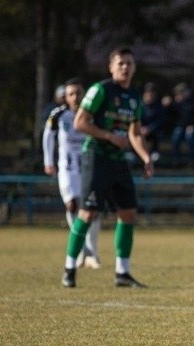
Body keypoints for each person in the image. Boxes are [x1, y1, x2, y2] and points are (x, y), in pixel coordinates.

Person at [62, 46, 154, 288]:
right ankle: (70, 267)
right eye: (120, 63)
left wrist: (145, 157)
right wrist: (109, 136)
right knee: (88, 214)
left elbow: (134, 132)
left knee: (128, 214)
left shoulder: (134, 97)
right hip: (96, 156)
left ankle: (122, 273)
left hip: (118, 160)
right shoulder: (100, 90)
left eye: (129, 64)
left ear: (134, 68)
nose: (125, 67)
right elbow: (81, 123)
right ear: (111, 67)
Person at [43, 77, 102, 269]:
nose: (75, 97)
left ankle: (92, 252)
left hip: (88, 167)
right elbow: (48, 136)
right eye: (71, 94)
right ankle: (84, 250)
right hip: (67, 169)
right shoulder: (58, 115)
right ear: (66, 97)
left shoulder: (92, 115)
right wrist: (48, 161)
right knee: (72, 205)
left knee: (91, 209)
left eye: (78, 93)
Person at [166, 82, 194, 163]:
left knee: (190, 136)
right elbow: (169, 117)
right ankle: (176, 161)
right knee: (176, 135)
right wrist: (168, 105)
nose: (181, 94)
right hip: (180, 128)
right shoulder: (176, 104)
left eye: (183, 92)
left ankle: (192, 161)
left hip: (193, 128)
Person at [140, 82, 165, 158]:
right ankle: (134, 153)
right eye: (148, 93)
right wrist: (141, 128)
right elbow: (136, 118)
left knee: (157, 134)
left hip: (153, 130)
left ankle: (155, 152)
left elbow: (160, 120)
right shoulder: (140, 105)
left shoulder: (159, 106)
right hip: (141, 129)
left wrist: (150, 128)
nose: (150, 96)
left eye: (152, 93)